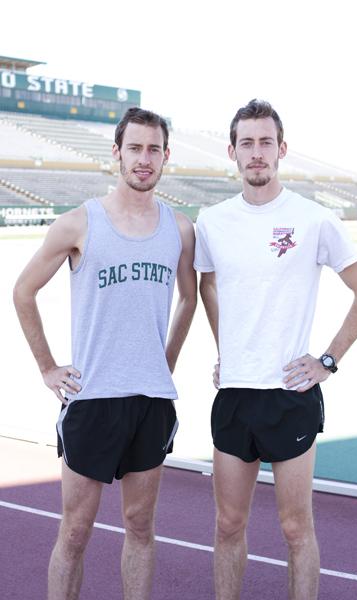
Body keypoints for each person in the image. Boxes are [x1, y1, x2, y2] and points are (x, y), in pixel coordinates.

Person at [194, 99, 357, 600]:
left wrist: (327, 361)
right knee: (228, 524)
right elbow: (208, 288)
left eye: (266, 142)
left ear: (282, 149)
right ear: (233, 152)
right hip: (234, 395)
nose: (257, 153)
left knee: (296, 529)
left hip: (290, 395)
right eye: (247, 143)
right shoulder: (211, 223)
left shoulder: (313, 219)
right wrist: (226, 348)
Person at [13, 107, 197, 600]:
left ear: (165, 157)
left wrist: (168, 360)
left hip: (151, 401)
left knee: (140, 526)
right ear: (116, 153)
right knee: (75, 531)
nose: (144, 158)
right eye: (134, 148)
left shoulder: (178, 229)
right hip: (93, 398)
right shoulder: (79, 223)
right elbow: (23, 291)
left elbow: (190, 297)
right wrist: (48, 367)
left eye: (153, 149)